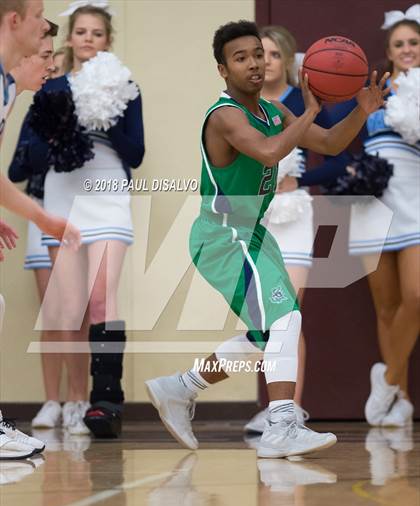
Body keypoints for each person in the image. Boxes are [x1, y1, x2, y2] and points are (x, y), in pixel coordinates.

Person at [145, 20, 389, 459]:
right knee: (286, 322)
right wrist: (311, 111)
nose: (254, 64)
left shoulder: (275, 110)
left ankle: (180, 387)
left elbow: (332, 144)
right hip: (222, 235)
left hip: (250, 233)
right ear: (223, 70)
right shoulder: (224, 116)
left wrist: (362, 111)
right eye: (241, 58)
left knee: (266, 334)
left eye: (258, 54)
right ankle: (281, 423)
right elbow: (269, 151)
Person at [24, 0, 145, 438]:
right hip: (62, 196)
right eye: (81, 32)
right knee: (70, 307)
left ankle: (105, 400)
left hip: (108, 191)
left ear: (107, 40)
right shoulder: (51, 87)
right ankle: (72, 402)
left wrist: (102, 116)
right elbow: (33, 156)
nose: (88, 39)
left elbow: (135, 153)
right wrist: (62, 125)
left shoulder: (125, 84)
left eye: (97, 32)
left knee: (100, 301)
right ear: (70, 39)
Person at [244, 26, 351, 434]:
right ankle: (276, 405)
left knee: (287, 314)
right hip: (254, 217)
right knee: (262, 318)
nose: (264, 62)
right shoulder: (243, 107)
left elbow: (337, 160)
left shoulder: (300, 103)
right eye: (258, 54)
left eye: (272, 54)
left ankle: (289, 408)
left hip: (292, 215)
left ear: (287, 60)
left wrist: (299, 182)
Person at [0, 0, 80, 460]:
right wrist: (45, 218)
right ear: (16, 23)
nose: (50, 62)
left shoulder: (9, 89)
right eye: (45, 51)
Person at [349, 6, 419, 427]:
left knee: (416, 297)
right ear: (389, 50)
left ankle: (388, 380)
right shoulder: (376, 87)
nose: (407, 49)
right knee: (387, 307)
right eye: (399, 44)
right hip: (375, 200)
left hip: (416, 196)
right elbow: (345, 133)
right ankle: (401, 400)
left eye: (413, 42)